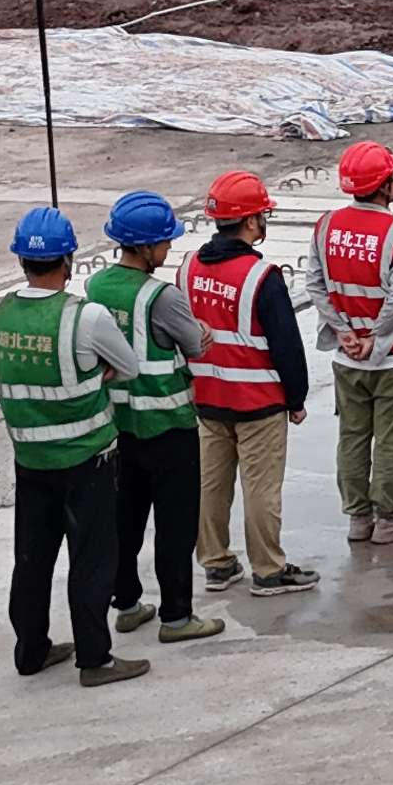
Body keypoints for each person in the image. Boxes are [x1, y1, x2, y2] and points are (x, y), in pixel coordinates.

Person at [0, 207, 146, 686]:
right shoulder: (85, 316)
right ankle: (95, 659)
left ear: (21, 261)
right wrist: (95, 375)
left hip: (29, 458)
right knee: (92, 560)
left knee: (32, 559)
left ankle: (30, 650)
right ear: (69, 260)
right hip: (86, 458)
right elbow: (129, 366)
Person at [90, 191, 223, 650]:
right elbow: (195, 344)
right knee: (175, 525)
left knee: (124, 519)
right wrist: (200, 331)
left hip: (118, 426)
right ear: (146, 247)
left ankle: (126, 604)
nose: (169, 248)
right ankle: (177, 615)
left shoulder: (97, 287)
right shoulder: (161, 296)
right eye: (165, 241)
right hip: (168, 428)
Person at [187, 170, 319, 599]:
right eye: (262, 215)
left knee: (211, 484)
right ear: (249, 221)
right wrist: (296, 399)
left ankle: (216, 563)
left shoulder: (189, 267)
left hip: (208, 398)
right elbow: (286, 345)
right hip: (257, 402)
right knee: (261, 490)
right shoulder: (261, 277)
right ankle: (268, 570)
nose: (264, 221)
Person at [310, 140, 393, 545]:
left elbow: (315, 285)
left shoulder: (326, 226)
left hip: (348, 359)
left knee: (353, 436)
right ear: (384, 186)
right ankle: (390, 518)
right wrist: (375, 340)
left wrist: (343, 332)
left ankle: (359, 518)